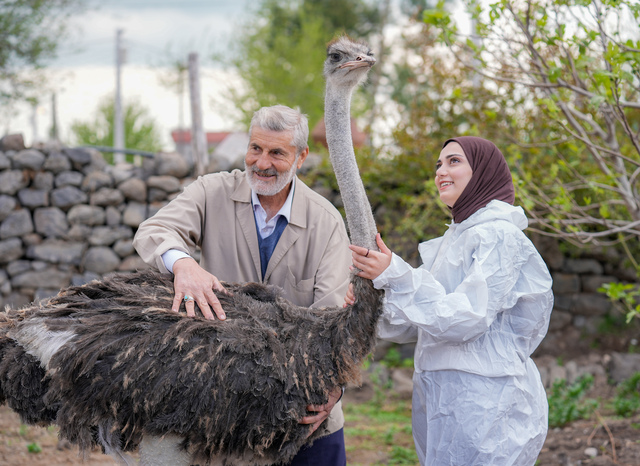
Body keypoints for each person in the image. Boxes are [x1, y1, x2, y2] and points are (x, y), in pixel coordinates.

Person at [133, 104, 351, 465]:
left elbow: (333, 321)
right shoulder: (211, 191)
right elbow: (154, 230)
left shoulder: (326, 222)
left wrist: (333, 389)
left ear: (301, 157)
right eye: (255, 148)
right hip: (224, 402)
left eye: (277, 152)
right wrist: (183, 264)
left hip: (303, 408)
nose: (261, 163)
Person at [346, 136, 553, 465]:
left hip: (486, 402)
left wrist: (396, 275)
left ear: (483, 172)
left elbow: (467, 318)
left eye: (454, 161)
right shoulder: (455, 239)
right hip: (443, 397)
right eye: (438, 164)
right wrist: (371, 305)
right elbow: (423, 321)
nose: (441, 171)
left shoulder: (498, 236)